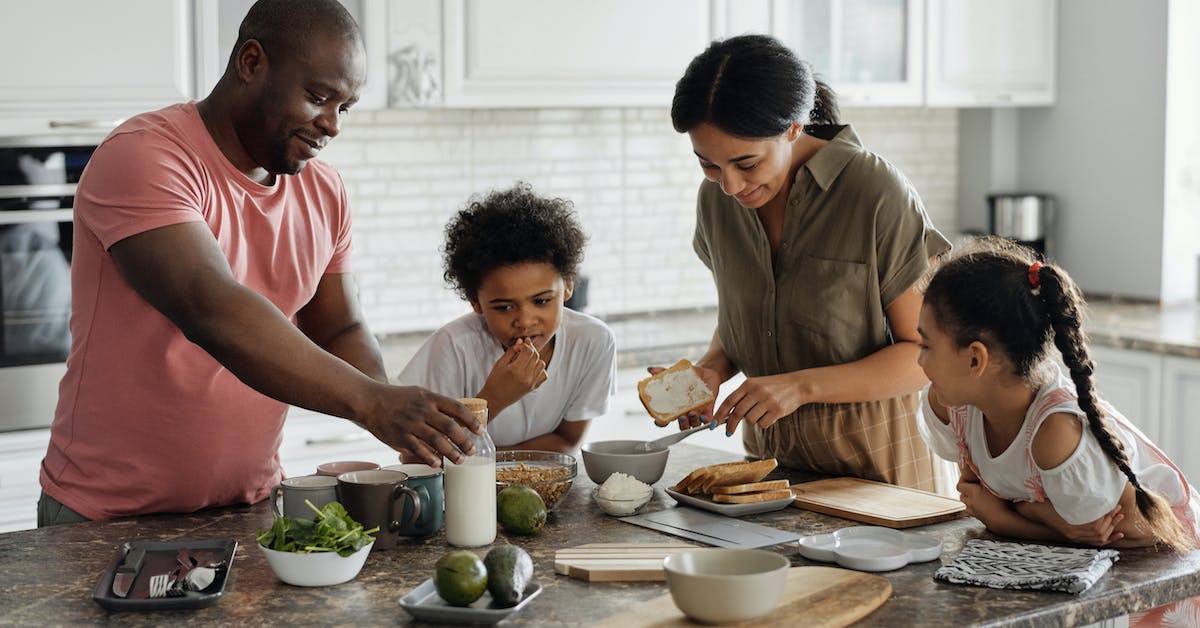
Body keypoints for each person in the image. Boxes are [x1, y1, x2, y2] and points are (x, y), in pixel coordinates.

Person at [37, 0, 481, 526]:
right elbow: (212, 309)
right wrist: (371, 403)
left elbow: (340, 326)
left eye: (345, 107)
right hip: (106, 515)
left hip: (250, 507)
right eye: (319, 97)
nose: (333, 125)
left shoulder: (324, 190)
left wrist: (392, 413)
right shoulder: (145, 156)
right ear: (251, 62)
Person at [667, 34, 951, 491]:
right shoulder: (716, 203)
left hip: (881, 481)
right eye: (709, 165)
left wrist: (799, 387)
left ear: (794, 127)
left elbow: (925, 356)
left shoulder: (874, 192)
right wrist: (712, 370)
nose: (730, 186)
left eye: (747, 163)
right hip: (770, 478)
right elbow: (750, 319)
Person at [917, 237, 1200, 626]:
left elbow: (1112, 536)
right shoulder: (954, 406)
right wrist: (1043, 516)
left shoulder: (1056, 433)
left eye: (926, 345)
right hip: (1085, 573)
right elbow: (1067, 530)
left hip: (1166, 571)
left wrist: (1006, 517)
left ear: (975, 358)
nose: (918, 360)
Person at [397, 184, 616, 453]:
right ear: (475, 301)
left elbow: (567, 442)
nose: (524, 320)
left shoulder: (593, 341)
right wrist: (493, 399)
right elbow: (415, 457)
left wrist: (492, 464)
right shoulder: (453, 347)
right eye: (503, 307)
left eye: (542, 301)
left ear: (569, 285)